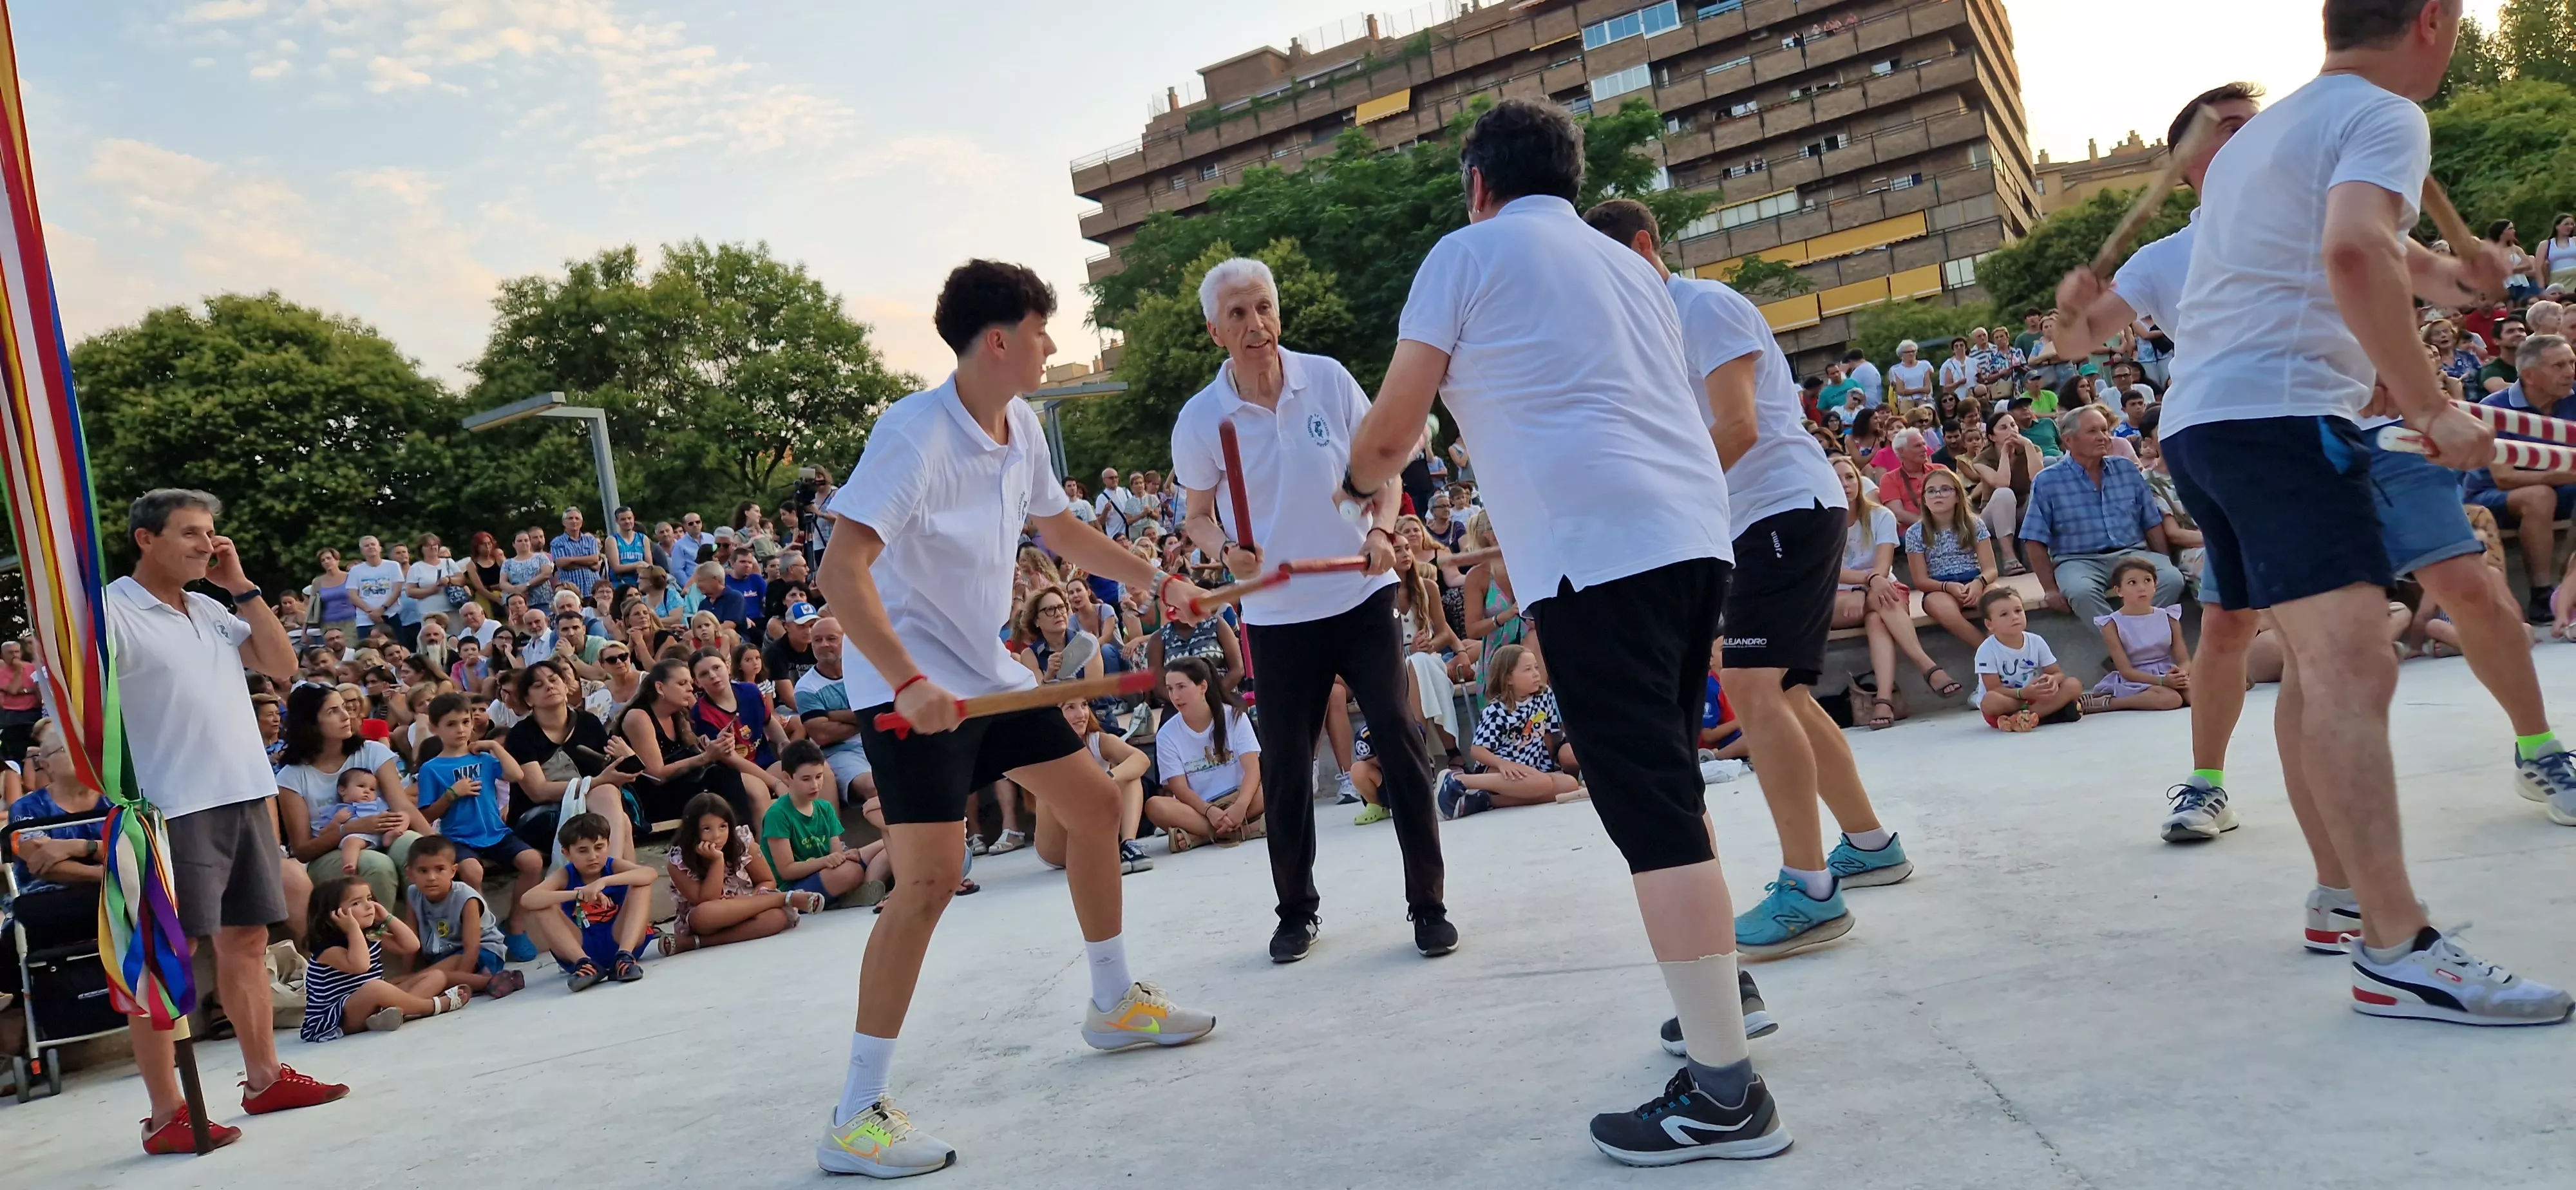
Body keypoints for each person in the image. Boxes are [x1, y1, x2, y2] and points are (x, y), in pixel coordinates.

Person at [1346, 102, 1786, 1165]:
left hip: (1599, 559)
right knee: (1669, 784)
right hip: (1691, 538)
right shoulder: (1625, 264)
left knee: (1650, 813)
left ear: (1476, 181)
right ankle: (1721, 995)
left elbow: (1395, 429)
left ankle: (1726, 1094)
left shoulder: (1467, 252)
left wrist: (1354, 485)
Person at [2118, 0, 2568, 1023]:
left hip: (2208, 427)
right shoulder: (2383, 117)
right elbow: (2355, 256)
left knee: (2331, 666)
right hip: (2281, 418)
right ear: (2433, 20)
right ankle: (2398, 946)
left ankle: (2342, 900)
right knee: (2354, 664)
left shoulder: (2264, 139)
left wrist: (2469, 280)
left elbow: (2397, 262)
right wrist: (2431, 407)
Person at [809, 259, 1217, 1176]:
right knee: (927, 881)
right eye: (1041, 331)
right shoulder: (913, 437)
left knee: (1095, 806)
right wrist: (906, 676)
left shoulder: (1021, 422)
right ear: (998, 339)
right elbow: (842, 572)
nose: (1051, 345)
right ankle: (854, 1114)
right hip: (912, 690)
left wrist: (1163, 582)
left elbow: (1059, 531)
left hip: (990, 675)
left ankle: (1112, 1004)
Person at [1593, 200, 1913, 979]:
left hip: (1783, 507)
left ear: (1643, 248)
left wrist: (1661, 501)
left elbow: (1736, 428)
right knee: (1788, 692)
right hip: (1748, 521)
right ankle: (1870, 845)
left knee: (1751, 684)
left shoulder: (1701, 307)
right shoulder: (1645, 333)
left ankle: (1810, 889)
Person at [1165, 254, 1450, 960]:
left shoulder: (1325, 377)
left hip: (1360, 592)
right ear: (1214, 331)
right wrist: (1224, 547)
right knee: (1288, 765)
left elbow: (1381, 465)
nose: (1256, 324)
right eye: (1237, 313)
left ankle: (1429, 903)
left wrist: (1383, 530)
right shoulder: (1203, 419)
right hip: (1275, 614)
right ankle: (1295, 911)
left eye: (1263, 306)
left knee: (1398, 734)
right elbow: (1195, 515)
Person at [2054, 82, 2268, 842]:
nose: (2247, 136)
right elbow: (2075, 343)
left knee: (2318, 619)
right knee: (2237, 618)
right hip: (2213, 434)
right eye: (2228, 128)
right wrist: (2070, 308)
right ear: (2186, 165)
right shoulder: (2164, 256)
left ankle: (2535, 744)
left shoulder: (2313, 221)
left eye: (2254, 124)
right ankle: (2206, 785)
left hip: (2313, 426)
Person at [109, 491, 346, 1152]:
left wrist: (240, 585)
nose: (205, 545)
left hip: (244, 793)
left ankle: (264, 1075)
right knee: (161, 958)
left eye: (211, 533)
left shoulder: (214, 607)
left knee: (246, 941)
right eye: (190, 534)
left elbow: (281, 664)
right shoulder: (111, 610)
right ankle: (165, 1114)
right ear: (145, 539)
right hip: (169, 805)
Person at [2018, 406, 2186, 621]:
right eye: (2093, 432)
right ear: (2069, 441)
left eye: (2105, 430)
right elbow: (2034, 540)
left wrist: (2164, 560)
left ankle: (2129, 642)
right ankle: (2124, 644)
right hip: (2078, 560)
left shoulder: (2126, 469)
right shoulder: (2047, 481)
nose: (2103, 437)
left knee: (2171, 578)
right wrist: (2050, 589)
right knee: (2081, 592)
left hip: (2132, 553)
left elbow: (2151, 522)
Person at [412, 691, 547, 943]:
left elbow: (517, 775)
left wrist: (494, 746)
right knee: (473, 872)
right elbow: (427, 814)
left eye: (465, 722)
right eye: (451, 724)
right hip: (459, 838)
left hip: (495, 833)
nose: (461, 730)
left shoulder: (484, 758)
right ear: (435, 728)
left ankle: (516, 925)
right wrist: (451, 795)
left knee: (533, 862)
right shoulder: (431, 768)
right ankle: (487, 933)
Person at [274, 683, 421, 912]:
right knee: (378, 866)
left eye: (344, 707)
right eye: (333, 711)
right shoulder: (291, 777)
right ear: (310, 723)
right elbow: (302, 850)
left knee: (416, 847)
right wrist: (349, 829)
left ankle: (428, 934)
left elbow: (402, 805)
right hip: (329, 854)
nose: (347, 715)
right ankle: (377, 939)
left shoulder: (372, 751)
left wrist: (438, 844)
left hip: (384, 835)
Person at [1833, 456, 1955, 730]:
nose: (1845, 484)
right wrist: (1861, 587)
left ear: (1859, 480)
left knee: (1877, 616)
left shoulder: (1881, 516)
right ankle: (1928, 667)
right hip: (1840, 600)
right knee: (1878, 599)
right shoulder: (1819, 524)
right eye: (1836, 479)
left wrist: (1866, 589)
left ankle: (1884, 700)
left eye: (1850, 477)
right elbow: (1830, 571)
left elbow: (1884, 565)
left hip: (1881, 592)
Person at [2467, 334, 2576, 621]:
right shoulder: (2495, 407)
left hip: (2562, 488)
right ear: (2528, 375)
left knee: (2545, 494)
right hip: (2493, 496)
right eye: (2559, 366)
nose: (2570, 372)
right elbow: (2505, 478)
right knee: (2540, 496)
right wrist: (2568, 473)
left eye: (2572, 362)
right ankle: (2541, 593)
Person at [299, 876, 470, 1042]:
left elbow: (411, 945)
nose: (369, 906)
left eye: (369, 898)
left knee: (436, 976)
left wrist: (387, 917)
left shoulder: (370, 935)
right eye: (357, 903)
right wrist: (352, 929)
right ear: (335, 914)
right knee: (376, 988)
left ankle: (392, 1014)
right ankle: (433, 1007)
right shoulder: (327, 948)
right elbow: (360, 966)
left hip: (374, 1005)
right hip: (337, 1018)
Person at [663, 791, 820, 954]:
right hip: (711, 918)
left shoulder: (742, 841)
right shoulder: (678, 861)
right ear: (693, 831)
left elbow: (767, 881)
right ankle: (786, 897)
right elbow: (707, 900)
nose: (717, 836)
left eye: (723, 827)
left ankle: (694, 944)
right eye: (707, 829)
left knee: (777, 918)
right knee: (703, 914)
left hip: (749, 906)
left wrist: (747, 901)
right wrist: (718, 861)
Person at [1436, 643, 1581, 815]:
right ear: (1508, 678)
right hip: (1501, 768)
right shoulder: (1496, 710)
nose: (1536, 674)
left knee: (1569, 785)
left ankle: (1484, 801)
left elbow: (1550, 736)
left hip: (1533, 767)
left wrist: (1550, 764)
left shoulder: (1545, 696)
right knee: (1543, 784)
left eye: (1536, 667)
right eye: (1528, 670)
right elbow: (1477, 751)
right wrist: (1503, 764)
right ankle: (1459, 780)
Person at [519, 811, 656, 989]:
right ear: (567, 853)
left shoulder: (612, 866)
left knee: (641, 884)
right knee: (543, 903)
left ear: (608, 845)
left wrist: (602, 882)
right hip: (581, 947)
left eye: (599, 847)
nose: (593, 856)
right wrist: (580, 894)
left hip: (621, 939)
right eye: (583, 851)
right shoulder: (566, 875)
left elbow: (650, 874)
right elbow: (528, 899)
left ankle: (624, 958)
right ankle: (586, 965)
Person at [1144, 657, 1264, 850]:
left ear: (1203, 687)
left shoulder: (1234, 716)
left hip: (1242, 799)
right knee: (1155, 806)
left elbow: (1253, 768)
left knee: (1281, 781)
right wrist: (1209, 811)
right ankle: (1247, 829)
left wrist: (1241, 806)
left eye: (1182, 687)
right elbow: (1179, 789)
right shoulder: (1167, 734)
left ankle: (1200, 836)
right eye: (1170, 689)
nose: (1175, 696)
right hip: (1199, 809)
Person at [619, 657, 757, 826]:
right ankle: (742, 838)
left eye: (690, 683)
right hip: (654, 798)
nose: (691, 688)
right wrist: (706, 757)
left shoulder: (678, 714)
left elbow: (690, 756)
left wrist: (714, 745)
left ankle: (743, 837)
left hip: (683, 787)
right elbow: (656, 776)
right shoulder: (639, 717)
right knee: (722, 778)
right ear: (660, 688)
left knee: (725, 775)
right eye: (682, 683)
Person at [1032, 699, 1153, 874]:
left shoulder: (1097, 740)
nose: (1081, 714)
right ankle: (1100, 852)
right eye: (1070, 708)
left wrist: (1108, 778)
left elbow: (1141, 759)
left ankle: (1129, 844)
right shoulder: (1045, 749)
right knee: (1052, 794)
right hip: (1058, 843)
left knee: (1130, 776)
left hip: (1097, 828)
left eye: (1084, 705)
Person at [400, 836, 524, 999]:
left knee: (431, 977)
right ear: (410, 874)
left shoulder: (466, 897)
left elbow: (472, 947)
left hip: (483, 952)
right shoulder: (414, 893)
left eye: (440, 869)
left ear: (453, 871)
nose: (431, 877)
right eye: (423, 871)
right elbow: (411, 938)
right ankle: (489, 982)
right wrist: (406, 971)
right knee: (427, 976)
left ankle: (398, 992)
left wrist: (459, 986)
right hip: (446, 955)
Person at [764, 741, 873, 902]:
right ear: (788, 778)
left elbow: (836, 853)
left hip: (826, 871)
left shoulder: (825, 808)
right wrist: (826, 861)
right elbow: (786, 871)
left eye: (819, 777)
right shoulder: (778, 814)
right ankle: (855, 892)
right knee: (850, 872)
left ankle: (868, 886)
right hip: (794, 887)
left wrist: (843, 857)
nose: (815, 785)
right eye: (806, 779)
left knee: (885, 847)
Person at [1905, 466, 2000, 648]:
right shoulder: (1915, 533)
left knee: (2000, 599)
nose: (1938, 495)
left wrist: (1979, 583)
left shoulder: (1974, 524)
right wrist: (1947, 586)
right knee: (1945, 609)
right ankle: (1987, 651)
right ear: (1924, 499)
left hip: (1975, 580)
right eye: (1931, 491)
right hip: (1939, 588)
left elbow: (1991, 569)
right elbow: (1920, 580)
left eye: (1945, 489)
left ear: (1958, 496)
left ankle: (2007, 646)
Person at [2082, 556, 2192, 713]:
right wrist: (2161, 681)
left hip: (2167, 673)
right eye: (2132, 583)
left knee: (2196, 696)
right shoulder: (2112, 624)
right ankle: (2112, 703)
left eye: (2147, 580)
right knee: (2171, 699)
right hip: (2136, 679)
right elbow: (2126, 671)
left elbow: (2184, 660)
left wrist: (2181, 675)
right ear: (2119, 590)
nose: (2142, 588)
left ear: (2156, 585)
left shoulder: (2169, 617)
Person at [793, 616, 878, 811]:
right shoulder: (806, 687)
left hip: (879, 739)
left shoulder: (865, 672)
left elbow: (883, 711)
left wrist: (832, 715)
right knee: (875, 786)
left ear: (845, 640)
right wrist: (866, 717)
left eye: (831, 639)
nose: (824, 645)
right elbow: (822, 735)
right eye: (817, 640)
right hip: (841, 753)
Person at [1973, 587, 2083, 732]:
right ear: (1990, 624)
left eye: (2018, 611)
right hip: (2008, 703)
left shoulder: (2036, 641)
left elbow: (2057, 673)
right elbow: (1994, 689)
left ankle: (2022, 719)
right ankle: (2044, 716)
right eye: (2004, 614)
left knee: (2073, 685)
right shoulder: (1987, 650)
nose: (2014, 617)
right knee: (1990, 701)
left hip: (2034, 697)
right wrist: (2022, 693)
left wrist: (2053, 681)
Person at [609, 505, 653, 591]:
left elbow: (649, 566)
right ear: (617, 521)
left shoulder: (643, 538)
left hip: (641, 585)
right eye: (623, 519)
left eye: (629, 518)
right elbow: (616, 568)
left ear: (633, 518)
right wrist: (638, 565)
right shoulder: (613, 540)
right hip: (620, 585)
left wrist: (642, 566)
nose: (627, 521)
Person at [1885, 339, 1934, 411]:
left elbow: (1927, 389)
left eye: (1913, 351)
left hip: (1924, 399)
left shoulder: (1925, 365)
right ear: (1901, 354)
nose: (1911, 354)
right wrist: (1920, 390)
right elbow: (1901, 391)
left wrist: (1909, 391)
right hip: (1906, 401)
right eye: (1908, 352)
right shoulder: (1896, 369)